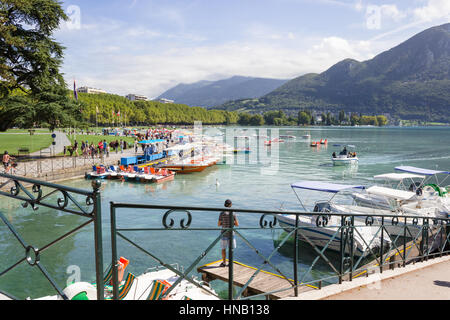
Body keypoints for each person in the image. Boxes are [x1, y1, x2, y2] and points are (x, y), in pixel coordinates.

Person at [218, 199, 239, 267]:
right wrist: (232, 223)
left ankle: (224, 262)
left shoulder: (222, 213)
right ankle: (230, 263)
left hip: (224, 233)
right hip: (231, 234)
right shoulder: (233, 213)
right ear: (231, 205)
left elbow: (218, 224)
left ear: (224, 205)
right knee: (231, 249)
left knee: (223, 249)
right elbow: (237, 224)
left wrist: (223, 223)